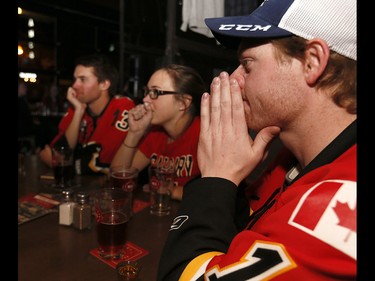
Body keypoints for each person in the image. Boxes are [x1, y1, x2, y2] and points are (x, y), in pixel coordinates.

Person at [157, 0, 356, 280]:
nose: (234, 79)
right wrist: (232, 182)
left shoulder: (334, 207)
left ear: (312, 62)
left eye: (246, 64)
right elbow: (250, 236)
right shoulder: (289, 160)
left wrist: (217, 178)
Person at [111, 64, 207, 200]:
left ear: (183, 103)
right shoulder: (155, 133)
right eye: (147, 92)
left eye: (155, 93)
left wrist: (171, 190)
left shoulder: (205, 133)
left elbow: (216, 194)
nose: (145, 100)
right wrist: (134, 133)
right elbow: (119, 177)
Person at [39, 54, 135, 175]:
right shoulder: (77, 107)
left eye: (83, 79)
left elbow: (103, 164)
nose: (74, 86)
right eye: (75, 79)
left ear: (104, 84)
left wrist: (60, 164)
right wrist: (78, 112)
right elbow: (59, 151)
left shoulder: (123, 106)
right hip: (81, 187)